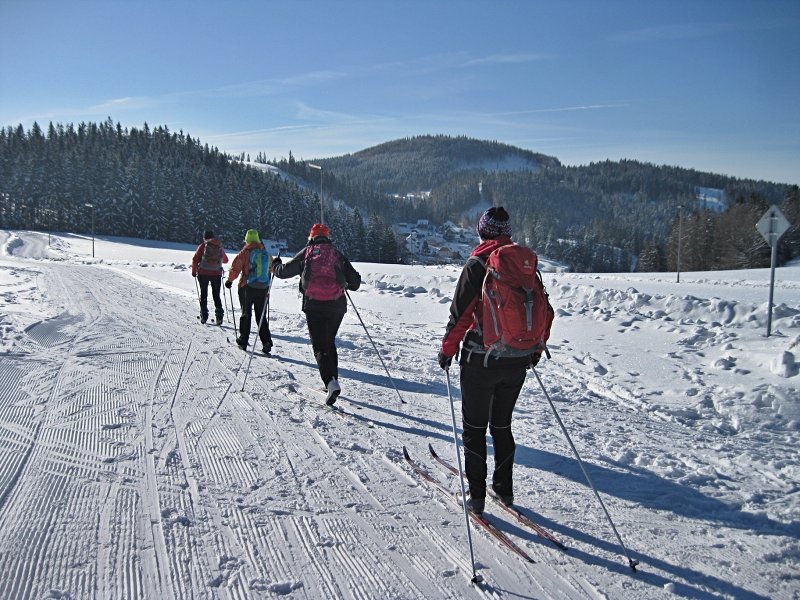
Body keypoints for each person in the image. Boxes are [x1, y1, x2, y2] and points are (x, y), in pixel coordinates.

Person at [437, 206, 542, 515]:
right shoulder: (524, 265)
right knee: (502, 425)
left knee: (473, 428)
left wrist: (446, 350)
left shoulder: (478, 263)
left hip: (480, 360)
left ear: (482, 230)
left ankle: (477, 497)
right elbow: (541, 310)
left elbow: (460, 315)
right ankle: (504, 490)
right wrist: (534, 349)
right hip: (518, 358)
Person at [271, 223, 361, 405]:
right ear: (327, 237)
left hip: (314, 305)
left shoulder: (308, 252)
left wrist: (275, 265)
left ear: (311, 237)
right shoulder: (336, 254)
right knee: (330, 341)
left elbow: (284, 272)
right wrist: (345, 284)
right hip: (336, 305)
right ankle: (332, 379)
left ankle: (330, 382)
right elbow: (356, 282)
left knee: (319, 345)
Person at [225, 229, 276, 354]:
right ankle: (266, 342)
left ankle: (243, 341)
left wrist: (229, 281)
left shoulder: (245, 253)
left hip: (247, 288)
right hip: (263, 289)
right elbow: (272, 268)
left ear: (247, 240)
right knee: (261, 316)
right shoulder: (265, 253)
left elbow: (235, 268)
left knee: (246, 314)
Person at [192, 230, 229, 325]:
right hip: (216, 274)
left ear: (204, 237)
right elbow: (226, 260)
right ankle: (219, 316)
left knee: (204, 294)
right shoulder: (218, 246)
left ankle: (204, 316)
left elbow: (195, 259)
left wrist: (193, 272)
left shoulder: (202, 246)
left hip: (203, 273)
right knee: (216, 295)